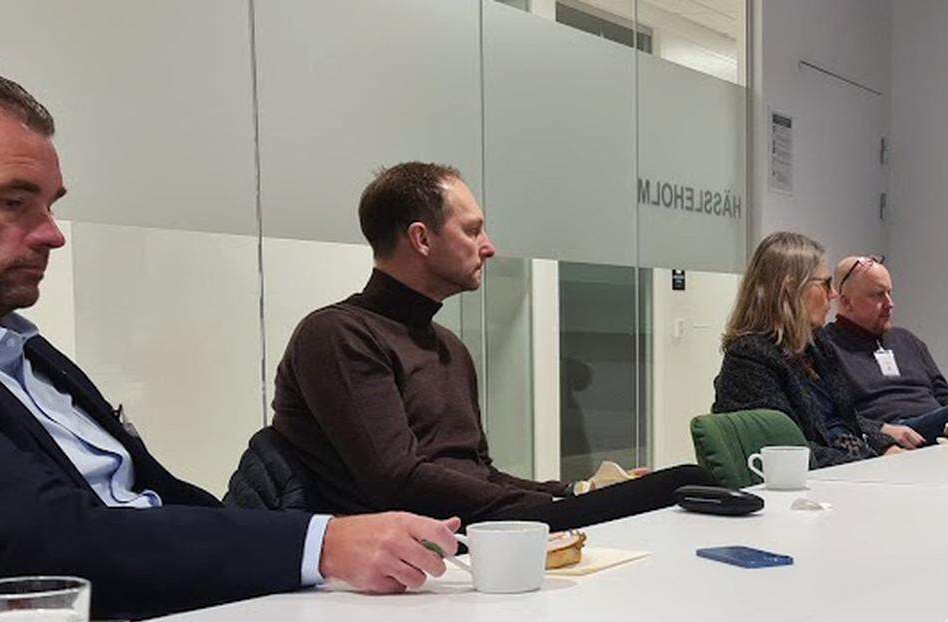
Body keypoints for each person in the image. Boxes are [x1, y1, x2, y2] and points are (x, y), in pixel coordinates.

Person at [0, 66, 458, 622]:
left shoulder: (27, 355)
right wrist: (320, 544)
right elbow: (44, 541)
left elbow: (155, 497)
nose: (52, 234)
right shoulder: (339, 334)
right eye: (14, 202)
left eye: (50, 205)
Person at [263, 162, 710, 529]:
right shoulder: (338, 336)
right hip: (415, 552)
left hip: (480, 534)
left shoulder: (449, 348)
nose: (488, 247)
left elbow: (479, 474)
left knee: (671, 490)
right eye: (472, 231)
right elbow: (395, 480)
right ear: (421, 239)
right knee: (684, 482)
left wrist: (571, 491)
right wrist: (540, 509)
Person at [712, 232, 905, 468]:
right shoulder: (749, 359)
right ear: (790, 289)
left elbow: (847, 419)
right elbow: (786, 451)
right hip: (821, 484)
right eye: (825, 284)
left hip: (853, 466)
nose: (833, 294)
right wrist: (869, 465)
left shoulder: (816, 343)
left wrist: (886, 445)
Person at [823, 255, 948, 443]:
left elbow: (944, 396)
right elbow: (834, 414)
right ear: (846, 302)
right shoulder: (826, 346)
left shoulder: (906, 340)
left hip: (935, 426)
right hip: (889, 431)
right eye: (878, 295)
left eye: (889, 293)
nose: (890, 304)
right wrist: (880, 433)